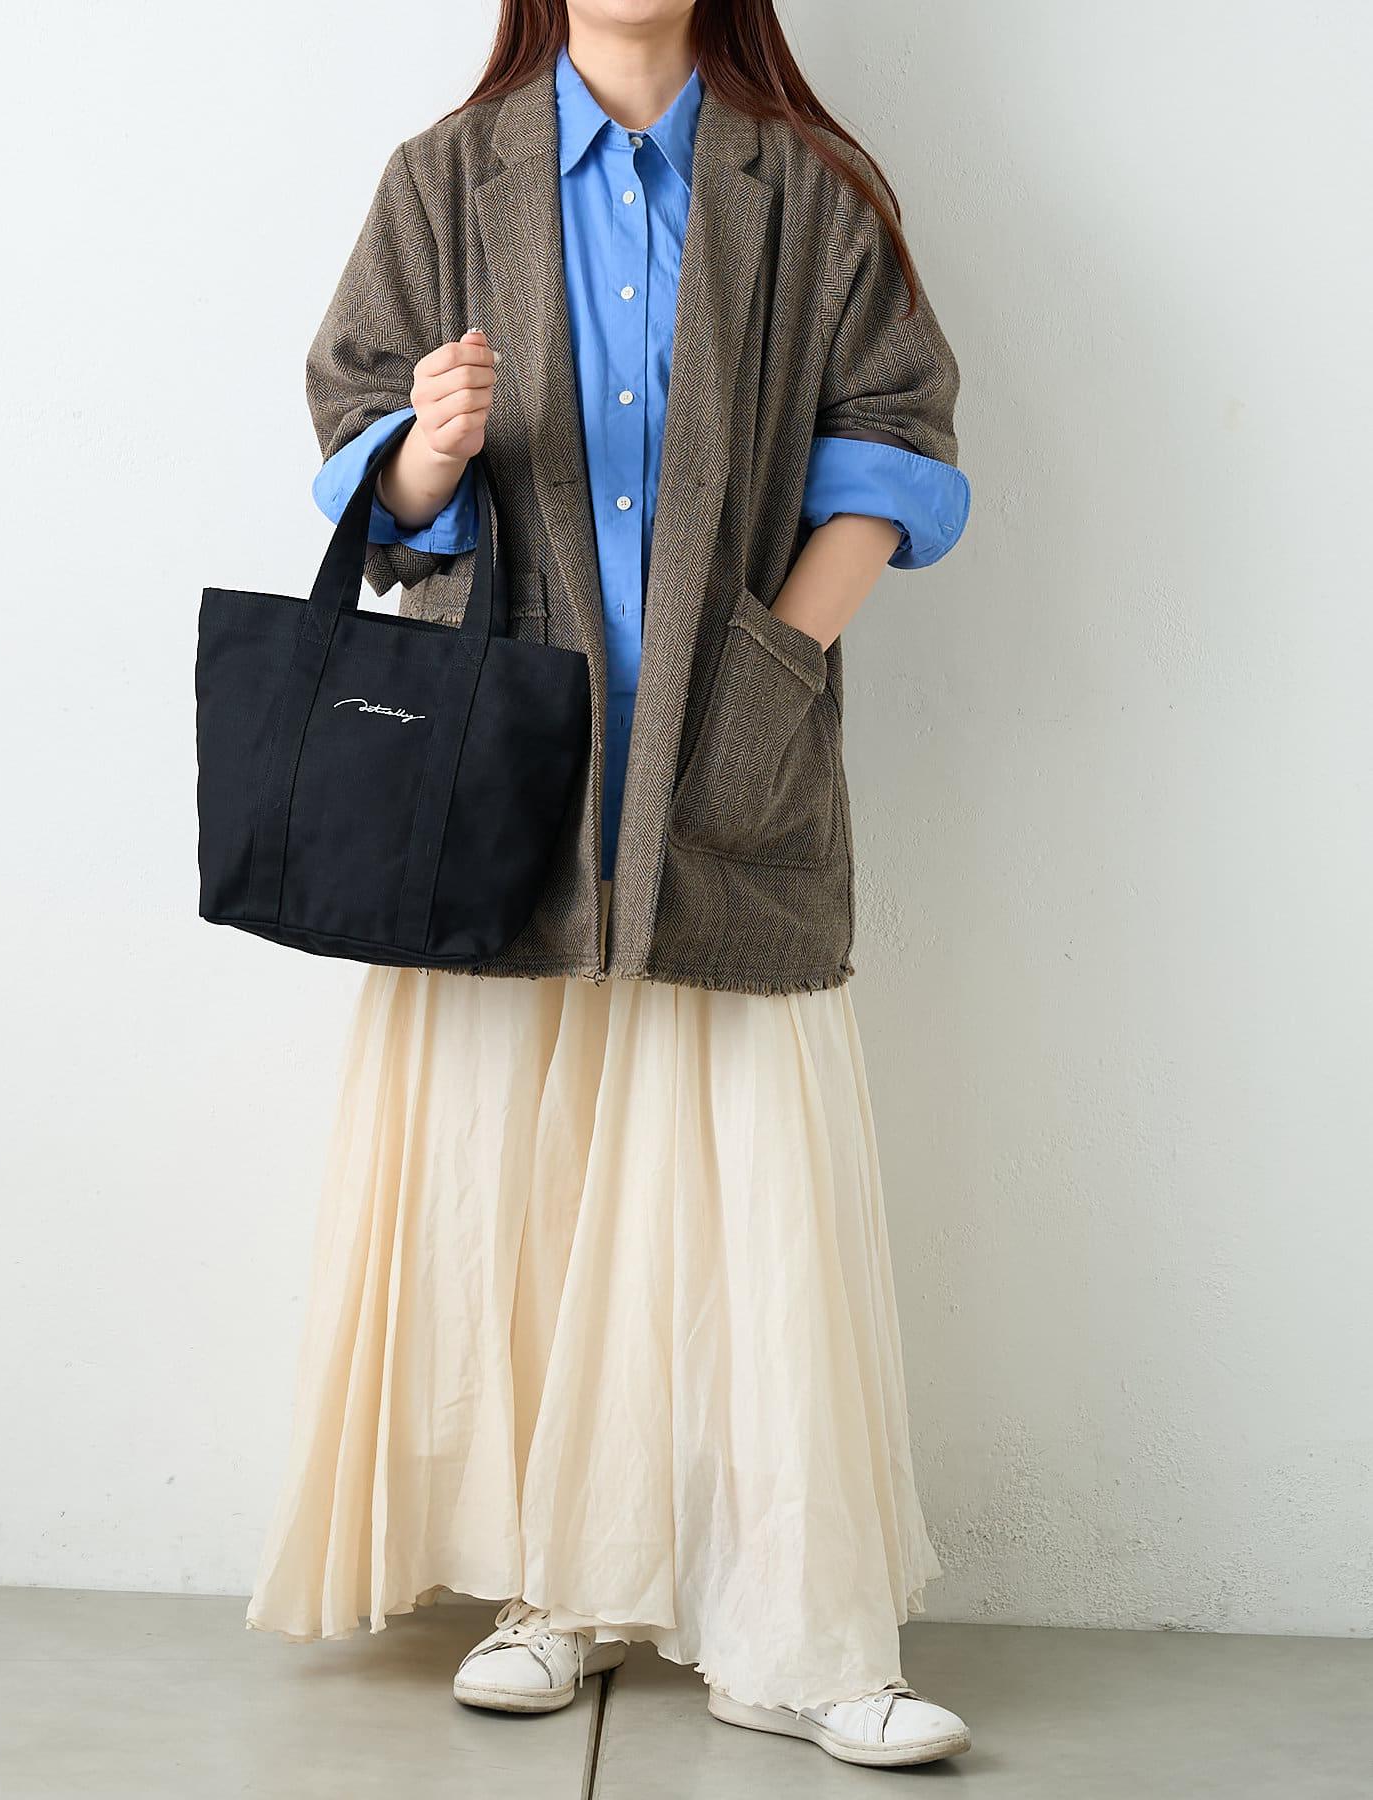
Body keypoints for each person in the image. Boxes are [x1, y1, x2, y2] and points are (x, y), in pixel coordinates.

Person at [246, 0, 974, 1770]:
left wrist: (778, 661)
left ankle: (800, 1632)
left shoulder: (808, 186)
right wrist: (429, 441)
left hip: (732, 767)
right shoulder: (447, 178)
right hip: (503, 775)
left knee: (754, 1203)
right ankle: (546, 1593)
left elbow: (893, 436)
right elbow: (366, 467)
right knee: (525, 1194)